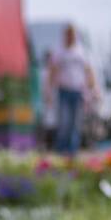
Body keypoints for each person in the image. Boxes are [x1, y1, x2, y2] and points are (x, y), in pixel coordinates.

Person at [47, 25, 96, 155]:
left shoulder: (81, 52)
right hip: (63, 91)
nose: (70, 37)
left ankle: (72, 152)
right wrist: (49, 92)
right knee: (64, 122)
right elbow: (52, 72)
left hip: (78, 92)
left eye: (72, 34)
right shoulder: (59, 52)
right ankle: (61, 151)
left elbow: (89, 71)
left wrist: (93, 89)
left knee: (75, 123)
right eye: (68, 34)